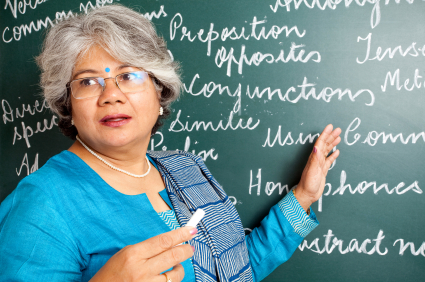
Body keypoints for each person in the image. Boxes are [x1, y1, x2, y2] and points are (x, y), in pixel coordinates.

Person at [0, 4, 341, 282]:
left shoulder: (187, 168)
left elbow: (232, 270)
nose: (111, 96)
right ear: (68, 106)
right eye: (88, 82)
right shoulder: (42, 205)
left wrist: (303, 197)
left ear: (159, 91)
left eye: (128, 75)